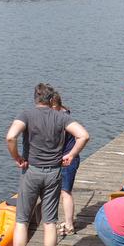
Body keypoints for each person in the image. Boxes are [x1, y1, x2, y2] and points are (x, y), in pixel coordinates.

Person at [5, 83, 89, 246]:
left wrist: (16, 157)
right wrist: (71, 155)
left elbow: (10, 136)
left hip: (31, 172)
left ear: (35, 98)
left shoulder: (26, 115)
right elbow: (83, 135)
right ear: (52, 99)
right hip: (54, 173)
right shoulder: (61, 117)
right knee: (50, 222)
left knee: (22, 221)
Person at [50, 92, 79, 237]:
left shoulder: (62, 119)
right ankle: (66, 222)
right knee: (60, 191)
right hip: (63, 158)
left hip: (67, 160)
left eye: (50, 107)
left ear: (56, 105)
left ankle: (69, 225)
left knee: (65, 192)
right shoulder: (63, 116)